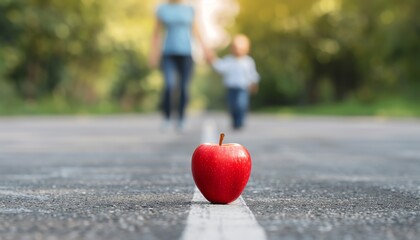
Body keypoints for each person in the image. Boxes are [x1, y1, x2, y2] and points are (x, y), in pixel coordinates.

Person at [149, 0, 210, 131]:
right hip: (168, 54)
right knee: (169, 85)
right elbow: (156, 33)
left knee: (183, 87)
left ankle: (181, 118)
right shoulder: (162, 9)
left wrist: (206, 50)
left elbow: (197, 31)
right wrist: (153, 54)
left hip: (186, 54)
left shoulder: (190, 9)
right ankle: (167, 118)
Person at [209, 34, 260, 130]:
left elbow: (252, 74)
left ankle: (240, 122)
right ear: (232, 49)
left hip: (243, 87)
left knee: (241, 105)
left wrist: (254, 83)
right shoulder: (229, 60)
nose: (238, 51)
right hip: (231, 87)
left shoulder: (248, 61)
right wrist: (212, 59)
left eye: (241, 48)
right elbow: (220, 67)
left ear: (246, 49)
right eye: (236, 48)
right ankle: (234, 121)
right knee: (232, 106)